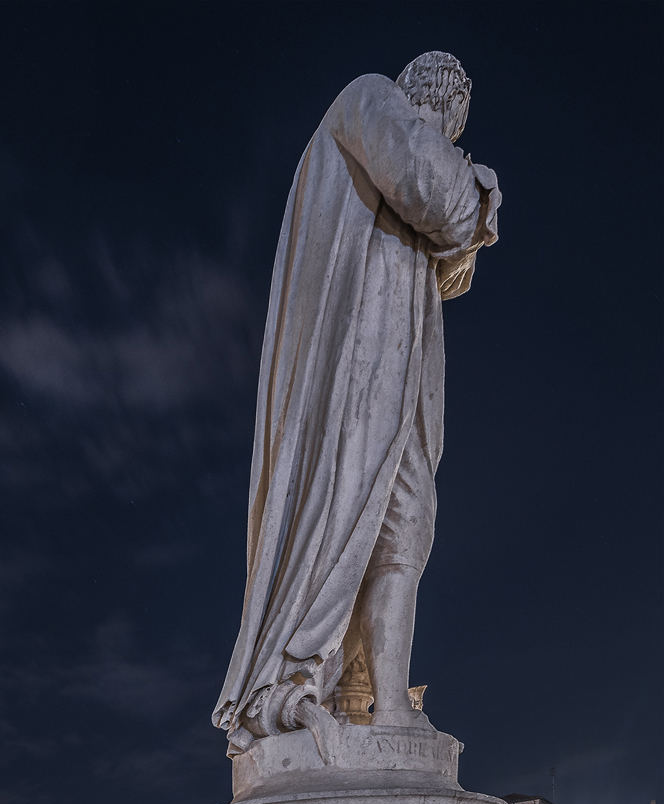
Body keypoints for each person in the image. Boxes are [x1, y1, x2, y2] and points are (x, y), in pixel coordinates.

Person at [213, 54, 500, 752]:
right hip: (352, 376)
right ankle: (296, 678)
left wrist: (470, 209)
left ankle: (391, 703)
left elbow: (454, 267)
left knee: (408, 520)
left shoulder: (401, 143)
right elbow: (437, 197)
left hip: (396, 380)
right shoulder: (367, 101)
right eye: (451, 119)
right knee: (341, 511)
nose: (453, 137)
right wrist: (479, 190)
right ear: (440, 98)